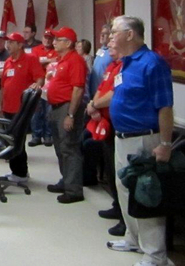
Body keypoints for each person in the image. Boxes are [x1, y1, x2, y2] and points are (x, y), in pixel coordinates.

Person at [106, 16, 174, 266]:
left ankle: (155, 256)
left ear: (130, 34)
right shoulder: (125, 63)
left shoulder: (152, 63)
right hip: (122, 138)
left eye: (114, 31)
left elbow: (165, 107)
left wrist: (165, 144)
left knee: (146, 195)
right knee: (125, 192)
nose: (110, 35)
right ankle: (133, 239)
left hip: (145, 139)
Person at [85, 42, 126, 237]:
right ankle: (116, 205)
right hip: (103, 122)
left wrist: (95, 105)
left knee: (118, 173)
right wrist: (94, 104)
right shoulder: (111, 67)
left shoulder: (124, 67)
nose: (109, 48)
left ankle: (124, 217)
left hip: (115, 124)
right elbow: (101, 88)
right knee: (110, 168)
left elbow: (114, 94)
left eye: (113, 45)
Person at [46, 26, 87, 204]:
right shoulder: (61, 60)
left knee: (69, 148)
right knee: (60, 148)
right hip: (55, 107)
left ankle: (74, 190)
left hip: (66, 108)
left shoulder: (75, 61)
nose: (53, 42)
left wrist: (70, 114)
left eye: (57, 39)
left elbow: (78, 89)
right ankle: (66, 180)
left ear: (68, 43)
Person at [0, 33, 44, 182]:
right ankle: (16, 172)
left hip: (21, 108)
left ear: (20, 45)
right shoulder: (8, 61)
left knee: (18, 141)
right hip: (8, 107)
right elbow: (4, 85)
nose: (8, 45)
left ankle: (21, 173)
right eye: (8, 42)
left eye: (11, 42)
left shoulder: (30, 59)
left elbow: (40, 77)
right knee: (11, 140)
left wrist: (38, 84)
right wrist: (2, 104)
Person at [29, 29, 58, 147]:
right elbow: (33, 63)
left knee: (48, 111)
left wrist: (43, 61)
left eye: (50, 38)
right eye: (45, 37)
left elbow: (57, 63)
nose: (47, 40)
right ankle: (36, 136)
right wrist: (50, 61)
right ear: (42, 38)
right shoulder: (35, 49)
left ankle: (48, 135)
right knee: (36, 111)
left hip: (51, 85)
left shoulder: (56, 50)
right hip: (37, 83)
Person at [89, 24, 113, 98]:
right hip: (94, 91)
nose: (102, 36)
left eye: (105, 34)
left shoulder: (113, 51)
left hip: (104, 92)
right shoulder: (101, 50)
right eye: (101, 33)